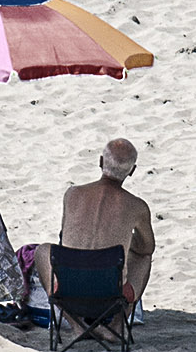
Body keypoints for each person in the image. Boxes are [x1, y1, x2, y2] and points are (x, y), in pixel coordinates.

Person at [33, 138, 154, 325]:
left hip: (67, 291)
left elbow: (63, 236)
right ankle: (117, 325)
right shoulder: (137, 206)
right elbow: (147, 248)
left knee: (42, 250)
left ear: (100, 162)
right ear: (132, 171)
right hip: (112, 295)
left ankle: (76, 325)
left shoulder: (72, 194)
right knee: (143, 259)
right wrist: (127, 240)